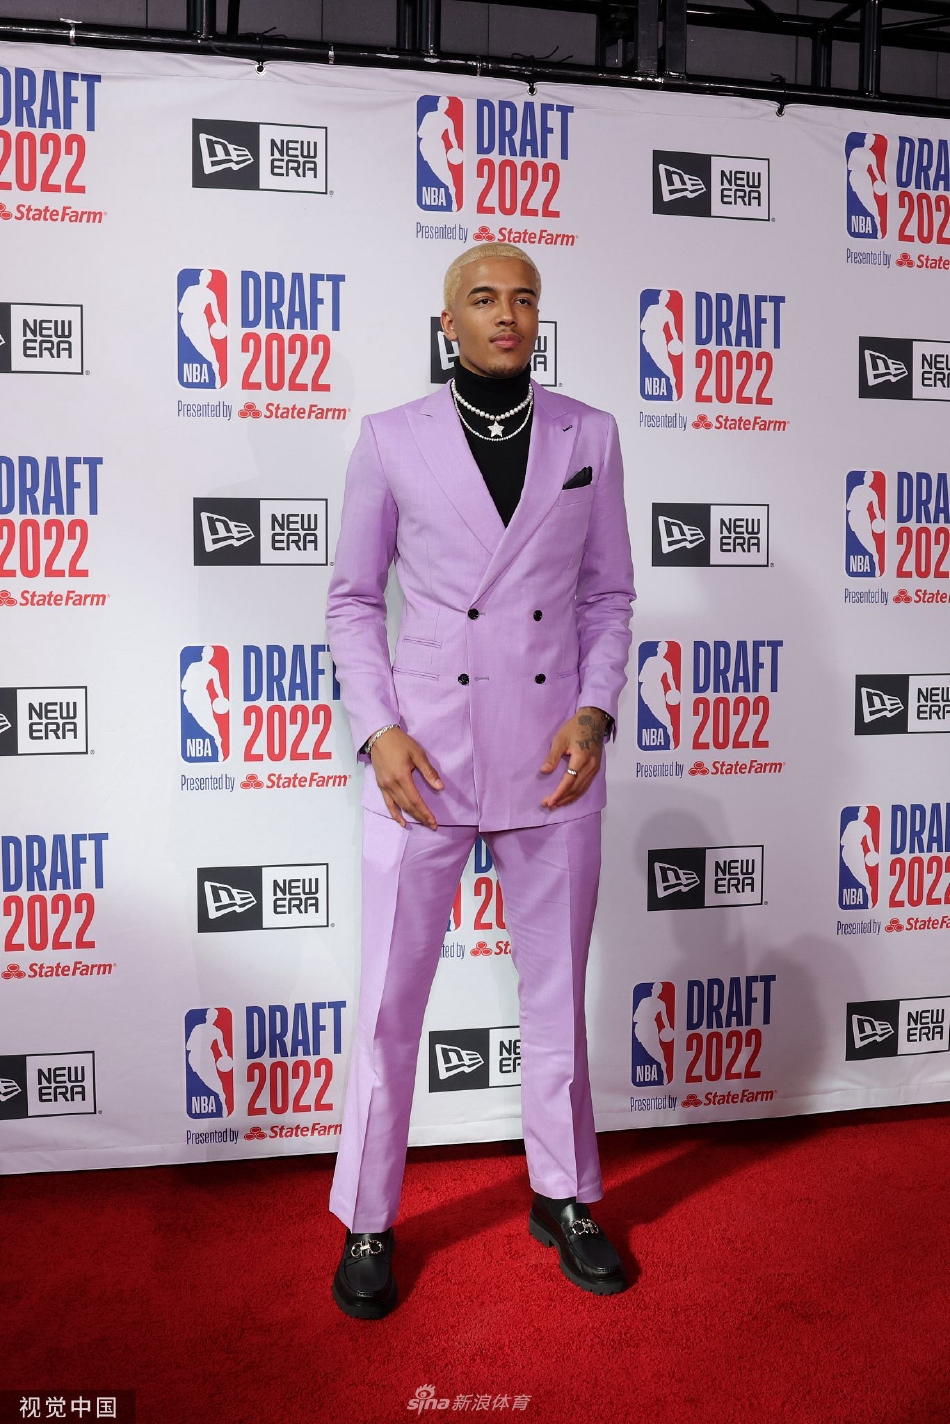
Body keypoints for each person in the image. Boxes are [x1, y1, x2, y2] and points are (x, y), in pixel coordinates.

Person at [325, 242, 636, 1319]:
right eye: (484, 299)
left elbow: (607, 597)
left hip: (554, 760)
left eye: (524, 299)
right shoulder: (390, 439)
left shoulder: (589, 434)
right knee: (388, 1005)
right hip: (423, 761)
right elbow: (352, 600)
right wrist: (379, 730)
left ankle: (565, 1194)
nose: (507, 314)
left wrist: (594, 710)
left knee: (555, 996)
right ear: (447, 322)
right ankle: (369, 1216)